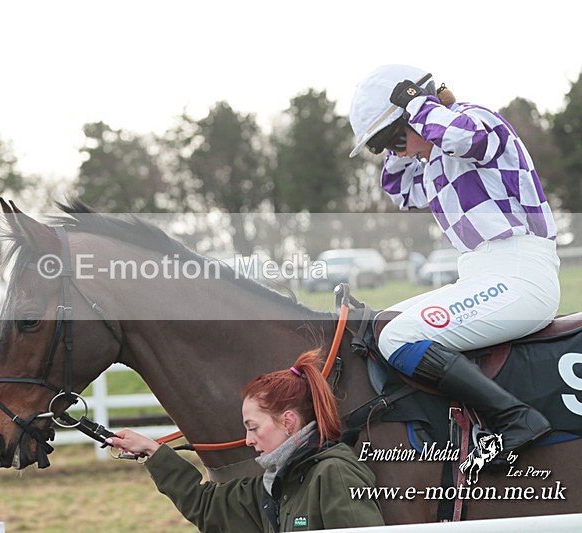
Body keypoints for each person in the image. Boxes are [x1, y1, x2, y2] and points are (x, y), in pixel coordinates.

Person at [348, 64, 559, 453]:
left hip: (521, 275)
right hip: (483, 277)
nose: (396, 150)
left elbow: (463, 137)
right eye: (383, 145)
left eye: (394, 138)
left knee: (399, 338)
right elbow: (399, 190)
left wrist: (417, 105)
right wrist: (398, 137)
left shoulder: (475, 120)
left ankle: (515, 418)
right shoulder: (433, 163)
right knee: (382, 326)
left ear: (420, 112)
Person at [106, 350, 384, 532]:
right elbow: (205, 506)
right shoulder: (273, 484)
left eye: (253, 427)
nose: (248, 440)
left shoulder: (334, 474)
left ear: (288, 422)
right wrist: (152, 451)